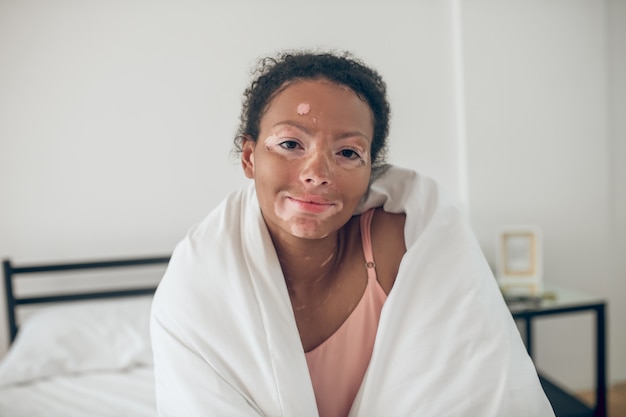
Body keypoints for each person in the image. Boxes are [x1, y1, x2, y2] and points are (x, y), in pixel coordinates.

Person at [150, 50, 555, 417]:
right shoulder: (200, 279)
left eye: (348, 153)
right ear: (250, 158)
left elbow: (473, 391)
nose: (317, 174)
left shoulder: (404, 241)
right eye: (291, 143)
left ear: (369, 171)